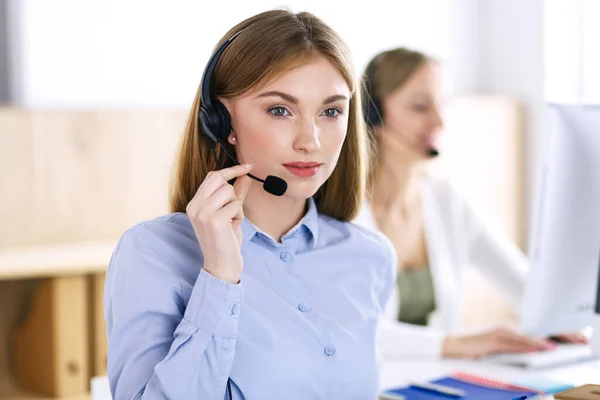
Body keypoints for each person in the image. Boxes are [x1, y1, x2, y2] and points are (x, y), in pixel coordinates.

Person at [103, 9, 396, 400]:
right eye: (280, 110)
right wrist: (220, 277)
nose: (310, 140)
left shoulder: (368, 256)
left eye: (331, 111)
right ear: (220, 123)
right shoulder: (153, 253)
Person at [357, 47, 587, 361]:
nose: (439, 121)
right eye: (420, 106)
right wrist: (459, 343)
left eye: (442, 105)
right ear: (373, 113)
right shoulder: (345, 210)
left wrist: (559, 321)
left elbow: (525, 284)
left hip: (433, 381)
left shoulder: (445, 201)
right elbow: (353, 331)